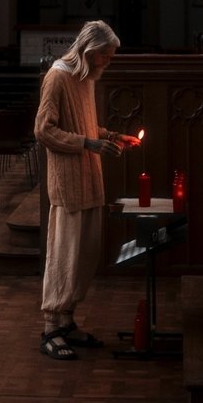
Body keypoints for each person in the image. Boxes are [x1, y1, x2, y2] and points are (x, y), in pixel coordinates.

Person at [34, 20, 141, 360]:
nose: (107, 63)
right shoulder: (58, 76)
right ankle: (51, 327)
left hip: (90, 178)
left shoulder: (85, 78)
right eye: (105, 57)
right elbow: (45, 131)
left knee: (84, 255)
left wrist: (109, 136)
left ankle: (67, 321)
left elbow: (82, 125)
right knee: (65, 255)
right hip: (68, 181)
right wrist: (91, 144)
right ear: (90, 51)